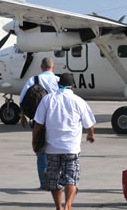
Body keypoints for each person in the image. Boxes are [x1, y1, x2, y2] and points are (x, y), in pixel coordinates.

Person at [33, 73, 96, 210]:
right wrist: (91, 134)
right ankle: (68, 206)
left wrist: (34, 142)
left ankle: (59, 207)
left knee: (54, 180)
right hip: (71, 148)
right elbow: (89, 123)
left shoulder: (48, 99)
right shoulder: (79, 101)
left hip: (52, 148)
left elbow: (38, 123)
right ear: (73, 86)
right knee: (71, 178)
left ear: (58, 85)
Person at [19, 57, 60, 190]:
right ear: (53, 67)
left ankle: (44, 182)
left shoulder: (33, 80)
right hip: (56, 121)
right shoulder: (58, 80)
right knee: (56, 151)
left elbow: (22, 98)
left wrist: (22, 116)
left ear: (41, 67)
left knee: (41, 151)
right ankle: (56, 180)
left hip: (39, 120)